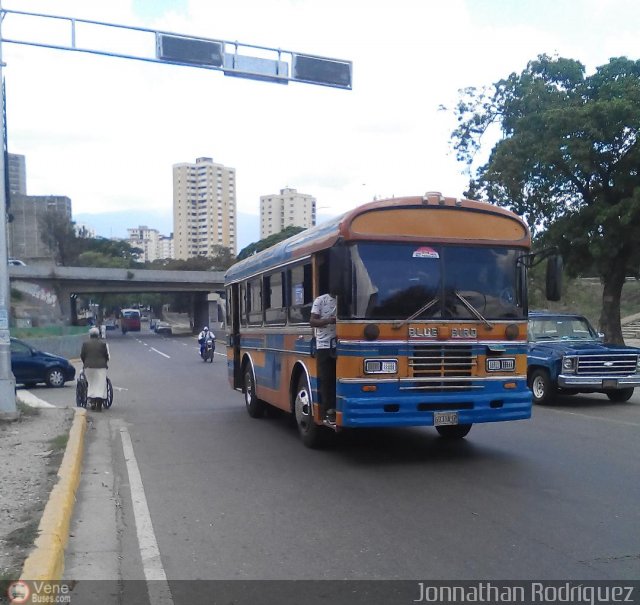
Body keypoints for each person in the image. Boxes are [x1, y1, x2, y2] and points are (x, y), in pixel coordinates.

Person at [310, 291, 337, 424]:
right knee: (327, 379)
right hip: (324, 345)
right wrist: (328, 320)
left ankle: (338, 408)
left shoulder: (346, 300)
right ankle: (329, 410)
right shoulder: (320, 300)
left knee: (338, 378)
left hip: (341, 345)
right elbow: (312, 321)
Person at [80, 326, 110, 411]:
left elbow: (82, 355)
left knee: (91, 383)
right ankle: (99, 405)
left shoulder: (85, 344)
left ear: (90, 335)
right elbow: (106, 356)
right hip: (101, 367)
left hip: (88, 367)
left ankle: (92, 401)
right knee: (100, 385)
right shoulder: (102, 344)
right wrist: (105, 361)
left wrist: (85, 362)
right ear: (98, 335)